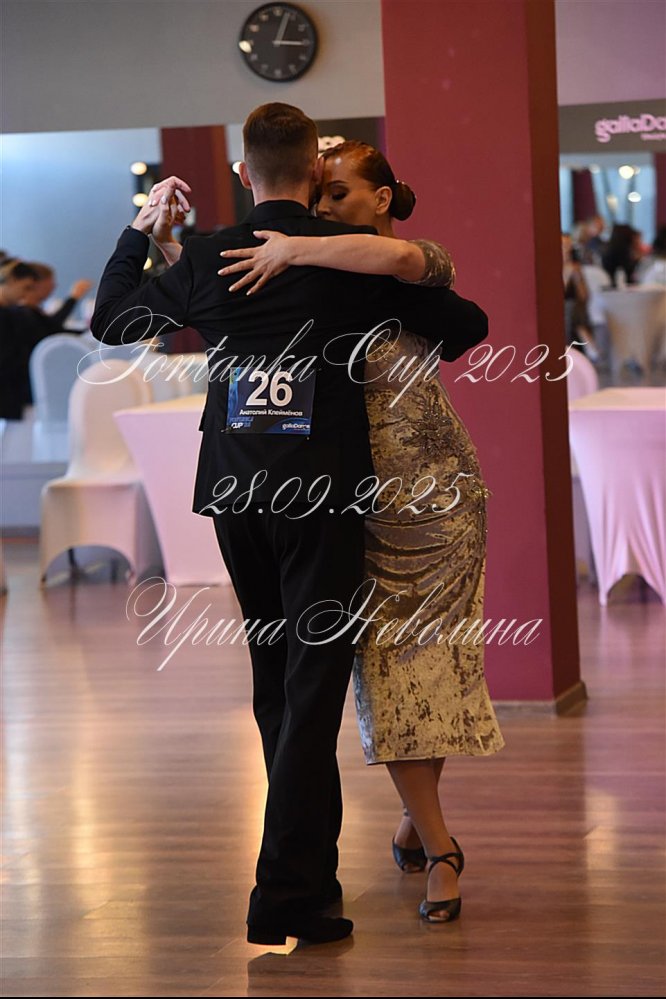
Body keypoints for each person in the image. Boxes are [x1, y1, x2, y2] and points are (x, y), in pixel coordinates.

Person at [89, 102, 489, 945]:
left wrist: (141, 230)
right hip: (322, 498)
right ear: (313, 172)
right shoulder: (348, 260)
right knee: (310, 690)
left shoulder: (210, 256)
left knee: (277, 685)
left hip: (238, 496)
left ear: (243, 173)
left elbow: (112, 320)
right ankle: (288, 892)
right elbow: (465, 326)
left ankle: (303, 887)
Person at [213, 139, 505, 925]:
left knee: (435, 665)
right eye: (318, 195)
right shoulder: (307, 280)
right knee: (385, 671)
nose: (322, 207)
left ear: (380, 199)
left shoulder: (395, 269)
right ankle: (438, 844)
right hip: (353, 500)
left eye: (338, 193)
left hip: (442, 496)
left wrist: (301, 246)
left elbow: (465, 319)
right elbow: (220, 302)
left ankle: (417, 816)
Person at [0, 260, 39, 420]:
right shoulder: (8, 316)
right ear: (12, 280)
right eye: (26, 287)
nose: (26, 294)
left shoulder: (12, 313)